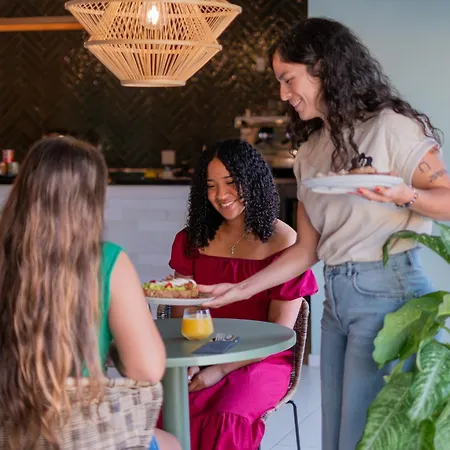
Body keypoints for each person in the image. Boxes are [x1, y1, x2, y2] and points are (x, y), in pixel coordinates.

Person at [200, 18, 450, 450]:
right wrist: (238, 290)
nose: (283, 94)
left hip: (390, 293)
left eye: (288, 79)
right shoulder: (312, 151)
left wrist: (402, 194)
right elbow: (306, 250)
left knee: (363, 439)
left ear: (323, 68)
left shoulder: (391, 126)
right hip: (337, 302)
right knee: (335, 439)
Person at [0, 137, 179, 450]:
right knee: (172, 443)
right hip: (79, 438)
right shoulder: (107, 262)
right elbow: (148, 370)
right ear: (91, 201)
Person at [166, 139, 318, 450]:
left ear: (253, 182)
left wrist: (220, 369)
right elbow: (181, 320)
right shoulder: (191, 240)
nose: (221, 195)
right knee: (166, 411)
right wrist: (190, 363)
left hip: (259, 360)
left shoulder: (287, 244)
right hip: (202, 352)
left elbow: (277, 334)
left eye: (231, 182)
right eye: (211, 186)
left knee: (225, 416)